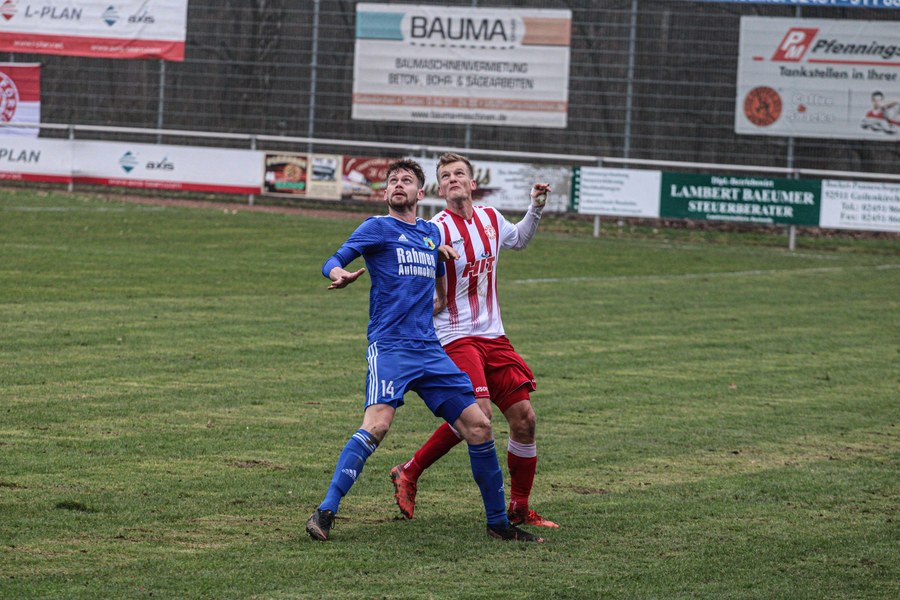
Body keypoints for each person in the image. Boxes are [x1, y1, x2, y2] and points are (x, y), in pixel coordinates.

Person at [306, 158, 542, 543]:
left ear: (420, 192)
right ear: (386, 192)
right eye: (392, 180)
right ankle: (325, 511)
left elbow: (438, 278)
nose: (398, 184)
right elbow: (334, 259)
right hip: (391, 347)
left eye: (407, 180)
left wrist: (440, 287)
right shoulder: (377, 227)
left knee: (479, 426)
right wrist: (338, 274)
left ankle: (499, 524)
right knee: (377, 426)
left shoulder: (431, 233)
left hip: (430, 350)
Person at [390, 152, 558, 529]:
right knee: (479, 415)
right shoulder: (433, 229)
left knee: (525, 418)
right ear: (439, 189)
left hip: (494, 336)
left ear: (472, 183)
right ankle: (411, 470)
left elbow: (519, 239)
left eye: (458, 173)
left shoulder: (491, 218)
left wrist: (536, 206)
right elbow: (411, 278)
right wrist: (430, 292)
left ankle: (519, 507)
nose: (452, 179)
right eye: (445, 176)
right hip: (455, 336)